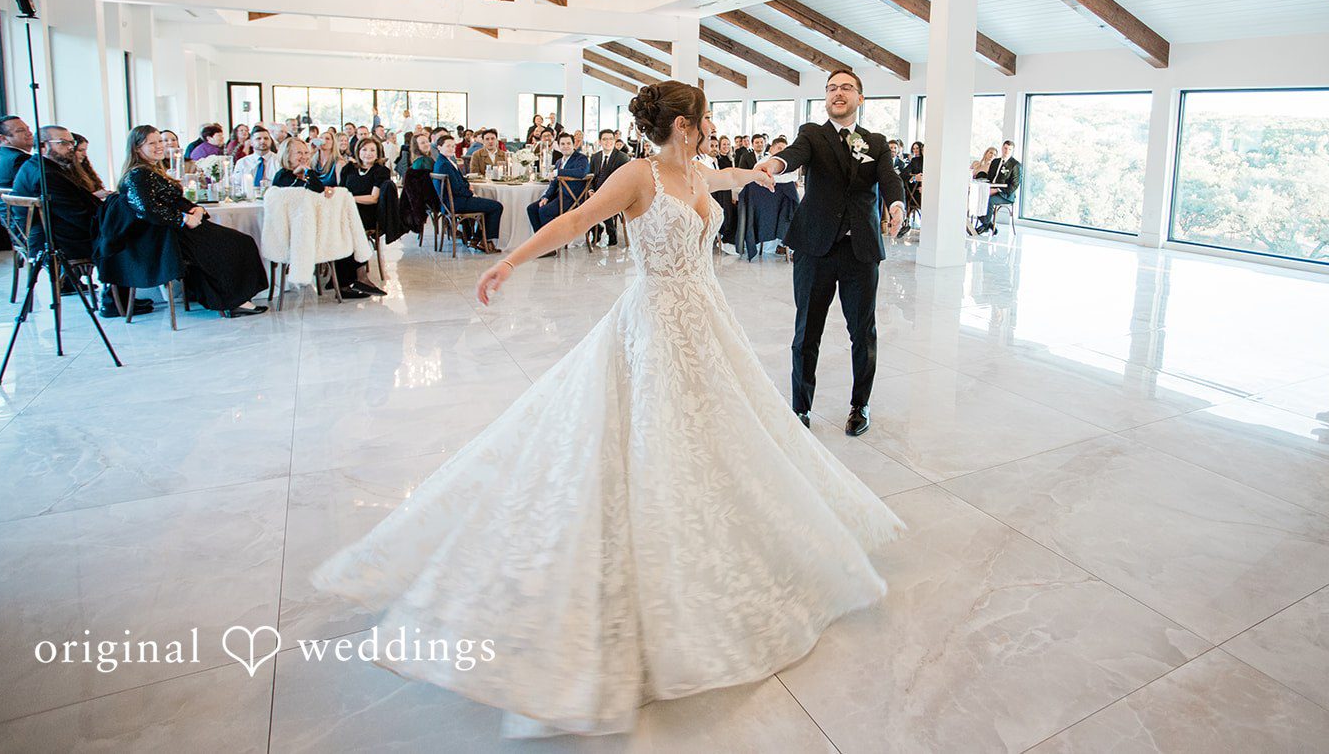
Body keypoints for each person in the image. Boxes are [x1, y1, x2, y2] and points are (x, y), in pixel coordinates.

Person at [313, 79, 902, 738]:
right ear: (685, 124)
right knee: (652, 440)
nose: (710, 129)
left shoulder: (694, 168)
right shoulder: (637, 174)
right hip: (653, 324)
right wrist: (510, 261)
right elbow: (574, 219)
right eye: (705, 120)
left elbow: (732, 173)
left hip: (706, 321)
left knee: (726, 436)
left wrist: (761, 170)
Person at [756, 70, 906, 437]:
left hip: (861, 250)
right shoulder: (812, 134)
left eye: (846, 88)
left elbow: (888, 178)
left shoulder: (875, 141)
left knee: (863, 332)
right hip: (815, 248)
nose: (838, 93)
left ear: (860, 98)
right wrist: (773, 164)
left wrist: (898, 205)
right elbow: (792, 156)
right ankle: (800, 408)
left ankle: (860, 405)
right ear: (826, 97)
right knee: (806, 331)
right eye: (832, 88)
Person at [98, 125, 268, 318]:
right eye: (152, 143)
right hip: (164, 238)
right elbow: (148, 210)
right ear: (137, 148)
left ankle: (230, 297)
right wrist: (183, 218)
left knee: (237, 241)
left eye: (160, 141)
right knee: (237, 243)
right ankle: (233, 299)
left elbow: (171, 199)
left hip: (177, 229)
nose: (159, 146)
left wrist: (195, 208)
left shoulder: (152, 170)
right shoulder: (138, 174)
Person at [10, 125, 143, 317]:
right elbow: (77, 216)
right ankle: (115, 302)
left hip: (60, 231)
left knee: (121, 228)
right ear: (43, 146)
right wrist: (112, 218)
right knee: (122, 236)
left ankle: (122, 296)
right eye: (63, 143)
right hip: (60, 240)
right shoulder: (47, 175)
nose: (70, 147)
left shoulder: (41, 166)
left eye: (71, 142)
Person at [270, 138, 375, 299]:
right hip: (299, 236)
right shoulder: (283, 176)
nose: (304, 156)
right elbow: (316, 189)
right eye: (299, 153)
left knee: (344, 228)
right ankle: (345, 284)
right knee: (342, 232)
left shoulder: (299, 175)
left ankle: (346, 281)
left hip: (310, 229)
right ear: (287, 155)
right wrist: (307, 171)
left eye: (306, 152)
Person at [431, 134, 501, 252]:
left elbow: (460, 181)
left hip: (452, 202)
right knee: (496, 206)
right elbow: (456, 188)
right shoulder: (444, 164)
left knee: (488, 204)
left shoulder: (445, 161)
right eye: (448, 146)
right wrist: (469, 192)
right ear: (439, 147)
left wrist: (467, 186)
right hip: (456, 203)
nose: (451, 148)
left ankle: (477, 238)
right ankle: (485, 241)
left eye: (453, 146)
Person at [526, 132, 588, 235]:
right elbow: (554, 183)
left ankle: (551, 244)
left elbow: (581, 172)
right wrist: (545, 197)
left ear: (573, 145)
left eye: (568, 143)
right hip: (559, 195)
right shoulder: (559, 161)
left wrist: (557, 172)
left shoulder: (581, 158)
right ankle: (541, 241)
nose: (566, 146)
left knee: (544, 211)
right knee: (532, 209)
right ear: (559, 146)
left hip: (572, 197)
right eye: (562, 144)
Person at [584, 128, 627, 247]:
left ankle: (611, 232)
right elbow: (591, 176)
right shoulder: (595, 157)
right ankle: (596, 229)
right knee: (582, 202)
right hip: (595, 192)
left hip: (614, 192)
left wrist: (605, 192)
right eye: (604, 139)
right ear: (600, 141)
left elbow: (623, 181)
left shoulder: (622, 157)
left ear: (614, 140)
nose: (608, 142)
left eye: (610, 139)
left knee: (601, 203)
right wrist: (591, 189)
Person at [0, 115, 34, 228]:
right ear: (3, 139)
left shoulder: (5, 155)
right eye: (20, 131)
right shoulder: (18, 159)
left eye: (28, 129)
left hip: (13, 223)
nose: (29, 133)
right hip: (24, 224)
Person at [973, 141, 1021, 235]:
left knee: (989, 200)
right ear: (1002, 148)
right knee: (976, 198)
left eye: (1009, 149)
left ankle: (985, 225)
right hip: (990, 189)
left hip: (1005, 194)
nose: (1007, 151)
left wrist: (997, 190)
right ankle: (989, 225)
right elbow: (990, 178)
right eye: (1005, 148)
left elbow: (1014, 185)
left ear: (1012, 151)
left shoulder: (1015, 165)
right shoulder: (995, 162)